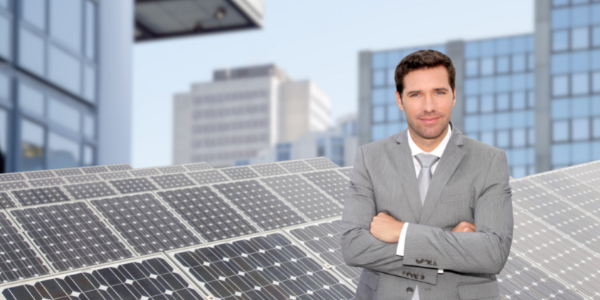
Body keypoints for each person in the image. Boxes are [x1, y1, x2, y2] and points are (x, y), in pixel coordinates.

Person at [340, 49, 513, 300]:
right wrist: (450, 247)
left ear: (454, 95)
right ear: (399, 100)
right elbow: (354, 247)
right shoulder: (370, 158)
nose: (429, 106)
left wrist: (403, 233)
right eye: (416, 94)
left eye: (439, 92)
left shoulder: (490, 160)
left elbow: (492, 253)